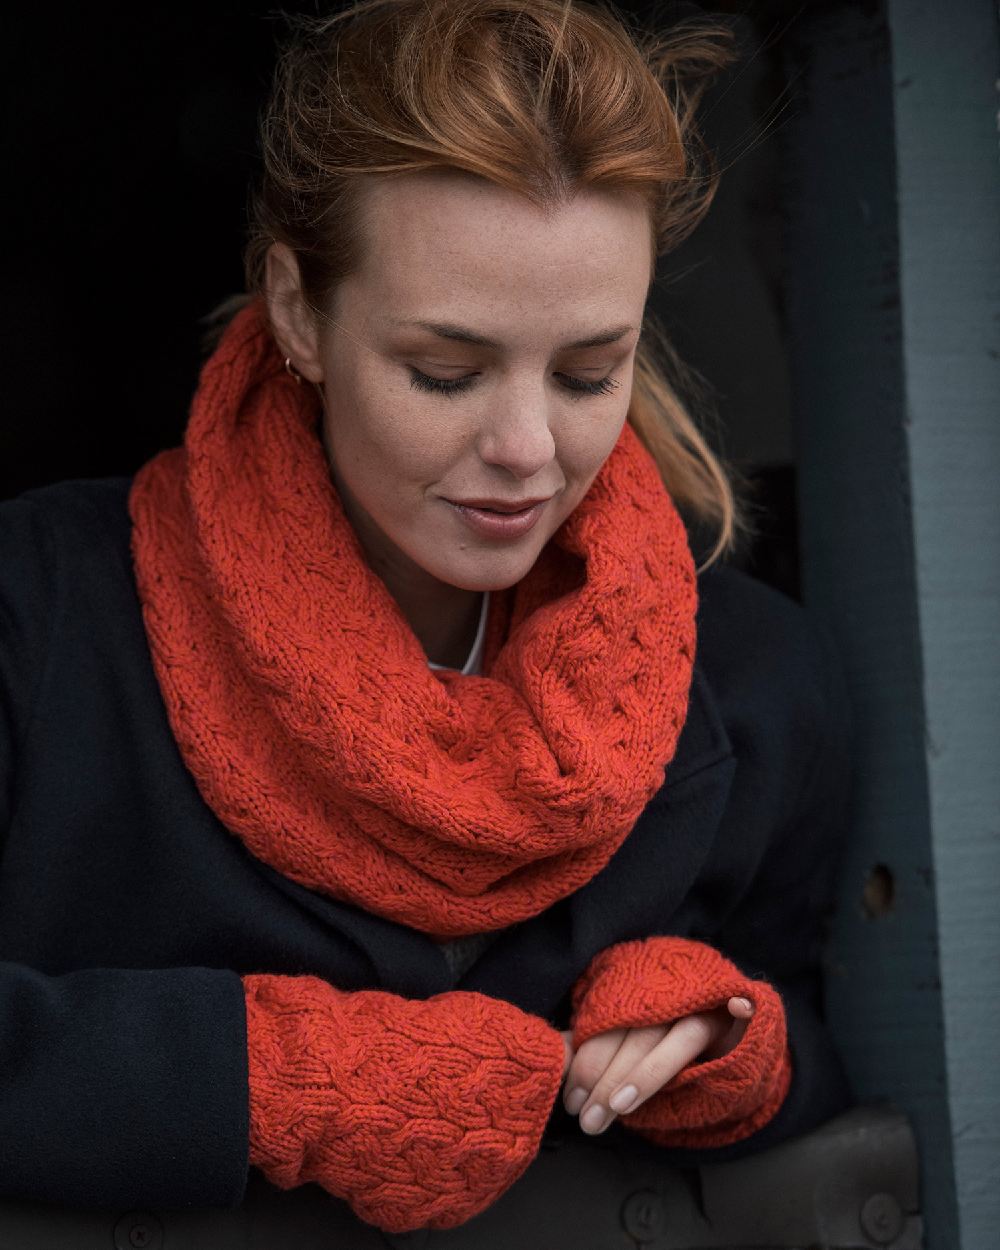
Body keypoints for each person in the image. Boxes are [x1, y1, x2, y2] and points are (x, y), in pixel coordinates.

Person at [0, 0, 851, 1237]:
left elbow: (845, 1052)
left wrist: (731, 1049)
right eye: (444, 372)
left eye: (586, 371)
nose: (522, 450)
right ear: (298, 310)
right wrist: (270, 1078)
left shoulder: (757, 682)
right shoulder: (43, 612)